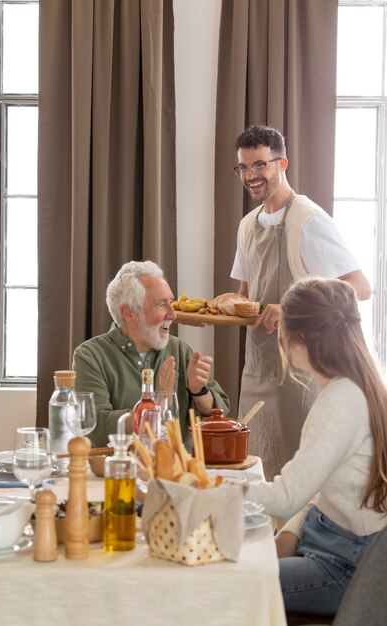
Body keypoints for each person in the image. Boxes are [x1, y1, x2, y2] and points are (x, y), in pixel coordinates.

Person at [231, 125, 371, 480]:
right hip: (258, 368)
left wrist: (290, 309)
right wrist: (226, 304)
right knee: (259, 469)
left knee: (303, 477)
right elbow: (246, 297)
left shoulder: (309, 220)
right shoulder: (248, 225)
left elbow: (360, 287)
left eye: (260, 165)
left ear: (283, 163)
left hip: (304, 373)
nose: (251, 176)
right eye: (244, 168)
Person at [246, 277, 387, 616]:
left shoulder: (341, 402)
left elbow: (286, 496)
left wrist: (217, 487)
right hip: (332, 540)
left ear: (300, 338)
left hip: (343, 564)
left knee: (234, 581)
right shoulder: (355, 386)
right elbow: (319, 489)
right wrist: (294, 530)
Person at [73, 260, 230, 449]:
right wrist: (156, 405)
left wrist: (199, 391)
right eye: (161, 305)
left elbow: (218, 412)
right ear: (128, 313)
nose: (173, 315)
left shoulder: (179, 349)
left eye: (170, 303)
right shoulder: (90, 356)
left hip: (174, 472)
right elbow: (94, 429)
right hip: (118, 472)